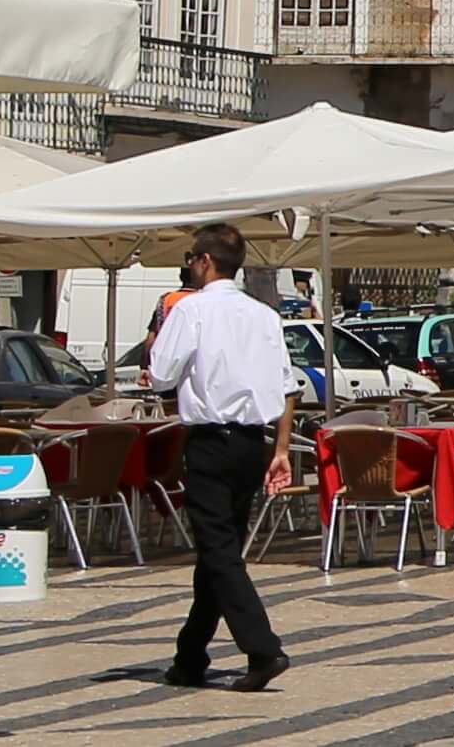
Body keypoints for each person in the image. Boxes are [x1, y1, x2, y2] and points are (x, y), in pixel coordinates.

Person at [147, 223, 292, 693]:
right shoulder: (264, 315)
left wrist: (156, 345)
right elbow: (287, 387)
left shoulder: (191, 310)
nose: (188, 265)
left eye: (191, 257)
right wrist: (283, 449)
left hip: (210, 440)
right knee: (217, 552)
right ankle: (189, 657)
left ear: (205, 261)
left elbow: (162, 376)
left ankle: (262, 647)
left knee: (221, 553)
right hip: (254, 442)